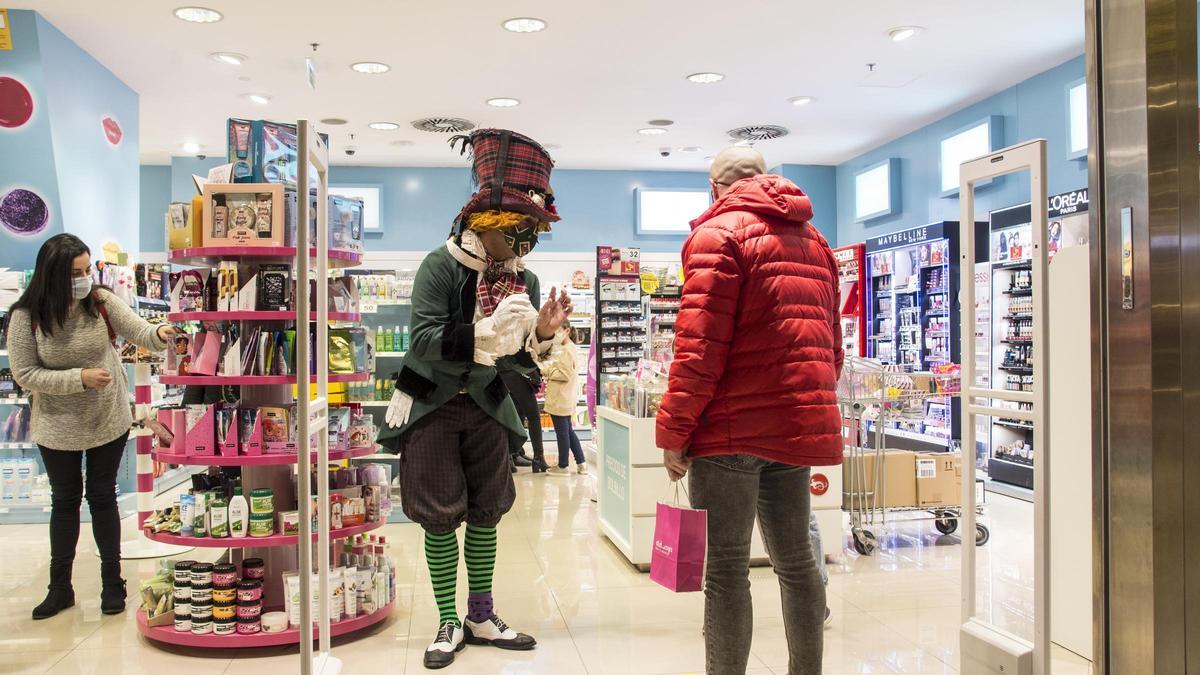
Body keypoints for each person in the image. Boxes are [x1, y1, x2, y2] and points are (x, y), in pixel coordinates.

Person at [382, 129, 572, 669]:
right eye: (520, 232)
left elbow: (513, 364)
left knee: (487, 514)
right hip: (431, 408)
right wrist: (488, 330)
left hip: (489, 406)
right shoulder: (439, 266)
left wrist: (539, 335)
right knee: (440, 516)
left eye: (533, 233)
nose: (526, 245)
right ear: (487, 226)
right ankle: (447, 618)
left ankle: (481, 614)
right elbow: (421, 341)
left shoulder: (524, 280)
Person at [655, 148, 844, 675]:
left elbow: (699, 348)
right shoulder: (815, 241)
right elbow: (833, 345)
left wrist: (675, 430)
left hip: (730, 435)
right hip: (794, 430)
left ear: (715, 187)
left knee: (727, 572)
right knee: (798, 564)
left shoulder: (717, 235)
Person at [9, 234, 175, 620]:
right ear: (51, 275)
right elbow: (25, 374)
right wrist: (78, 378)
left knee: (103, 498)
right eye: (74, 273)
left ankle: (111, 583)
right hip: (57, 424)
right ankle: (59, 587)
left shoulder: (99, 301)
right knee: (65, 502)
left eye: (86, 270)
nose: (83, 279)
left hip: (107, 417)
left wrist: (161, 334)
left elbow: (138, 330)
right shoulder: (26, 316)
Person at [542, 326, 586, 475]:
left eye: (558, 330)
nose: (555, 334)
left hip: (560, 396)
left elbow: (565, 374)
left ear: (567, 330)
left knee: (562, 432)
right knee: (567, 430)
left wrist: (546, 370)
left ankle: (563, 466)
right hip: (565, 395)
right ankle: (581, 462)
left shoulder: (566, 350)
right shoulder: (568, 347)